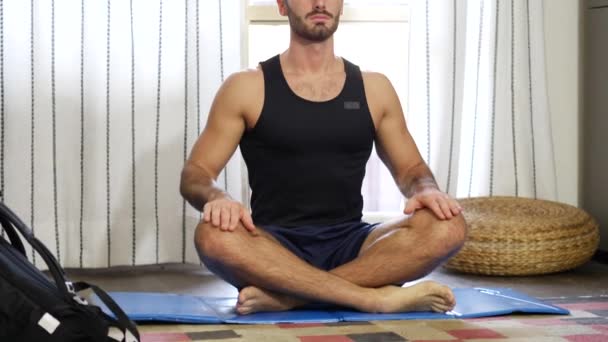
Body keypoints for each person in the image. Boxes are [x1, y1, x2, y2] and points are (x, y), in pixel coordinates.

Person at [180, 0, 466, 315]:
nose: (319, 2)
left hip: (354, 245)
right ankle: (372, 298)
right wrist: (216, 197)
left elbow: (412, 169)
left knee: (448, 226)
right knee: (211, 235)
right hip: (271, 248)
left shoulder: (375, 88)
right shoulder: (246, 87)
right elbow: (197, 172)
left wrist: (425, 188)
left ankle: (291, 297)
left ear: (341, 5)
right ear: (281, 5)